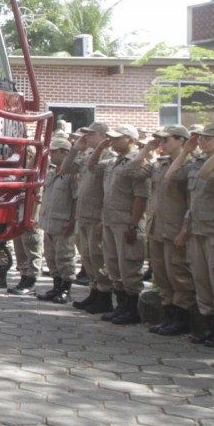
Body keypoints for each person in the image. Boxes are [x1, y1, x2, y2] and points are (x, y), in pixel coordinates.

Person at [93, 123, 150, 325]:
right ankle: (122, 306)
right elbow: (92, 168)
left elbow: (140, 197)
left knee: (129, 268)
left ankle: (132, 310)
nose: (113, 141)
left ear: (131, 140)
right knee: (114, 266)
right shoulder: (114, 162)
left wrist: (133, 225)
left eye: (118, 138)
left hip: (126, 223)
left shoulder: (137, 163)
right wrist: (100, 147)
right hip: (110, 220)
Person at [141, 126, 195, 336]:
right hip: (158, 226)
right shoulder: (161, 164)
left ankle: (181, 317)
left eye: (167, 140)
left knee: (178, 274)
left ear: (182, 141)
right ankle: (169, 313)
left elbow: (191, 203)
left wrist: (185, 230)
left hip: (175, 227)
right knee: (162, 275)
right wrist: (146, 150)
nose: (162, 144)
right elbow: (132, 171)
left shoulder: (190, 165)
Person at [64, 121, 115, 313]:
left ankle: (104, 296)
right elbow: (67, 169)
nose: (87, 138)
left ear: (103, 136)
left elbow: (108, 192)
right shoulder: (86, 156)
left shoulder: (109, 157)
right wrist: (75, 149)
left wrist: (103, 218)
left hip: (96, 215)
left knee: (98, 257)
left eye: (91, 135)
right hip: (83, 215)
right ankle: (94, 292)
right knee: (87, 258)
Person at [186, 124, 214, 346]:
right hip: (199, 229)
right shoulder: (202, 162)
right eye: (202, 138)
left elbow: (206, 174)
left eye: (209, 139)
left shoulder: (211, 165)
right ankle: (208, 326)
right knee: (202, 281)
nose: (202, 142)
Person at [36, 136, 78, 303]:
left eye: (54, 152)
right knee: (51, 257)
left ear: (65, 153)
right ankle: (56, 286)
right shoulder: (53, 173)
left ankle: (66, 289)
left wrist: (72, 221)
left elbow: (76, 198)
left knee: (64, 257)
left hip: (63, 222)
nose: (51, 155)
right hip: (49, 222)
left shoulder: (72, 175)